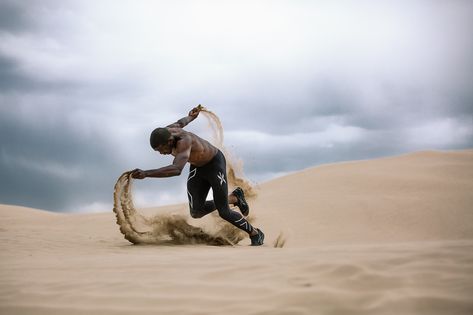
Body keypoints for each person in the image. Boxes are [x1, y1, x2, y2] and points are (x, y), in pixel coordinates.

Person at [131, 106, 264, 246]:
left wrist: (146, 173)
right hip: (198, 166)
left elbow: (176, 169)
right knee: (196, 212)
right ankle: (234, 198)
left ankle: (255, 233)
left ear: (169, 142)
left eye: (160, 150)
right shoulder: (168, 131)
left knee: (224, 212)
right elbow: (180, 123)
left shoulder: (184, 141)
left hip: (214, 164)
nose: (161, 153)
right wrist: (191, 117)